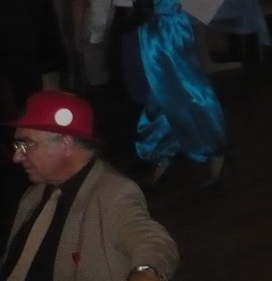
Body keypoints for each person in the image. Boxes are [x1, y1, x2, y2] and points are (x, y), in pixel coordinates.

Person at [95, 0, 226, 186]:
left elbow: (144, 8)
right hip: (175, 25)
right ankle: (182, 150)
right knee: (182, 88)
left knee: (169, 91)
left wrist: (122, 29)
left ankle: (197, 149)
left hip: (159, 33)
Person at [1, 90, 178, 281]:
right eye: (16, 147)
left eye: (26, 145)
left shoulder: (113, 193)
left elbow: (154, 243)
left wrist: (146, 272)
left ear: (66, 143)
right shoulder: (34, 194)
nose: (17, 157)